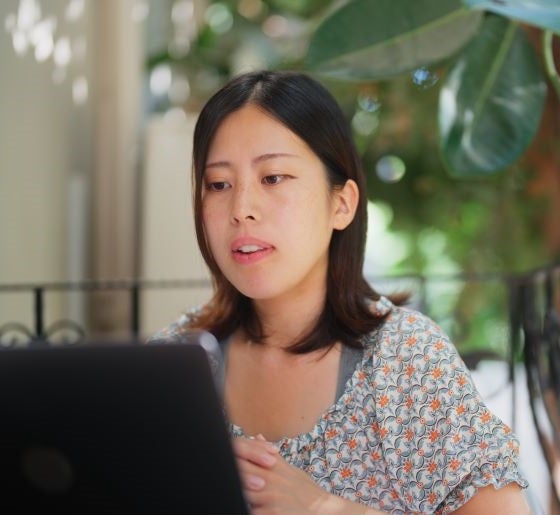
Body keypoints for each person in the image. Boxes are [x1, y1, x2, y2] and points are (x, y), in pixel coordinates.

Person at [150, 69, 531, 514]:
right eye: (218, 184)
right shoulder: (170, 363)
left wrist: (323, 508)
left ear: (342, 204)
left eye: (273, 177)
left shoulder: (405, 361)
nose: (241, 209)